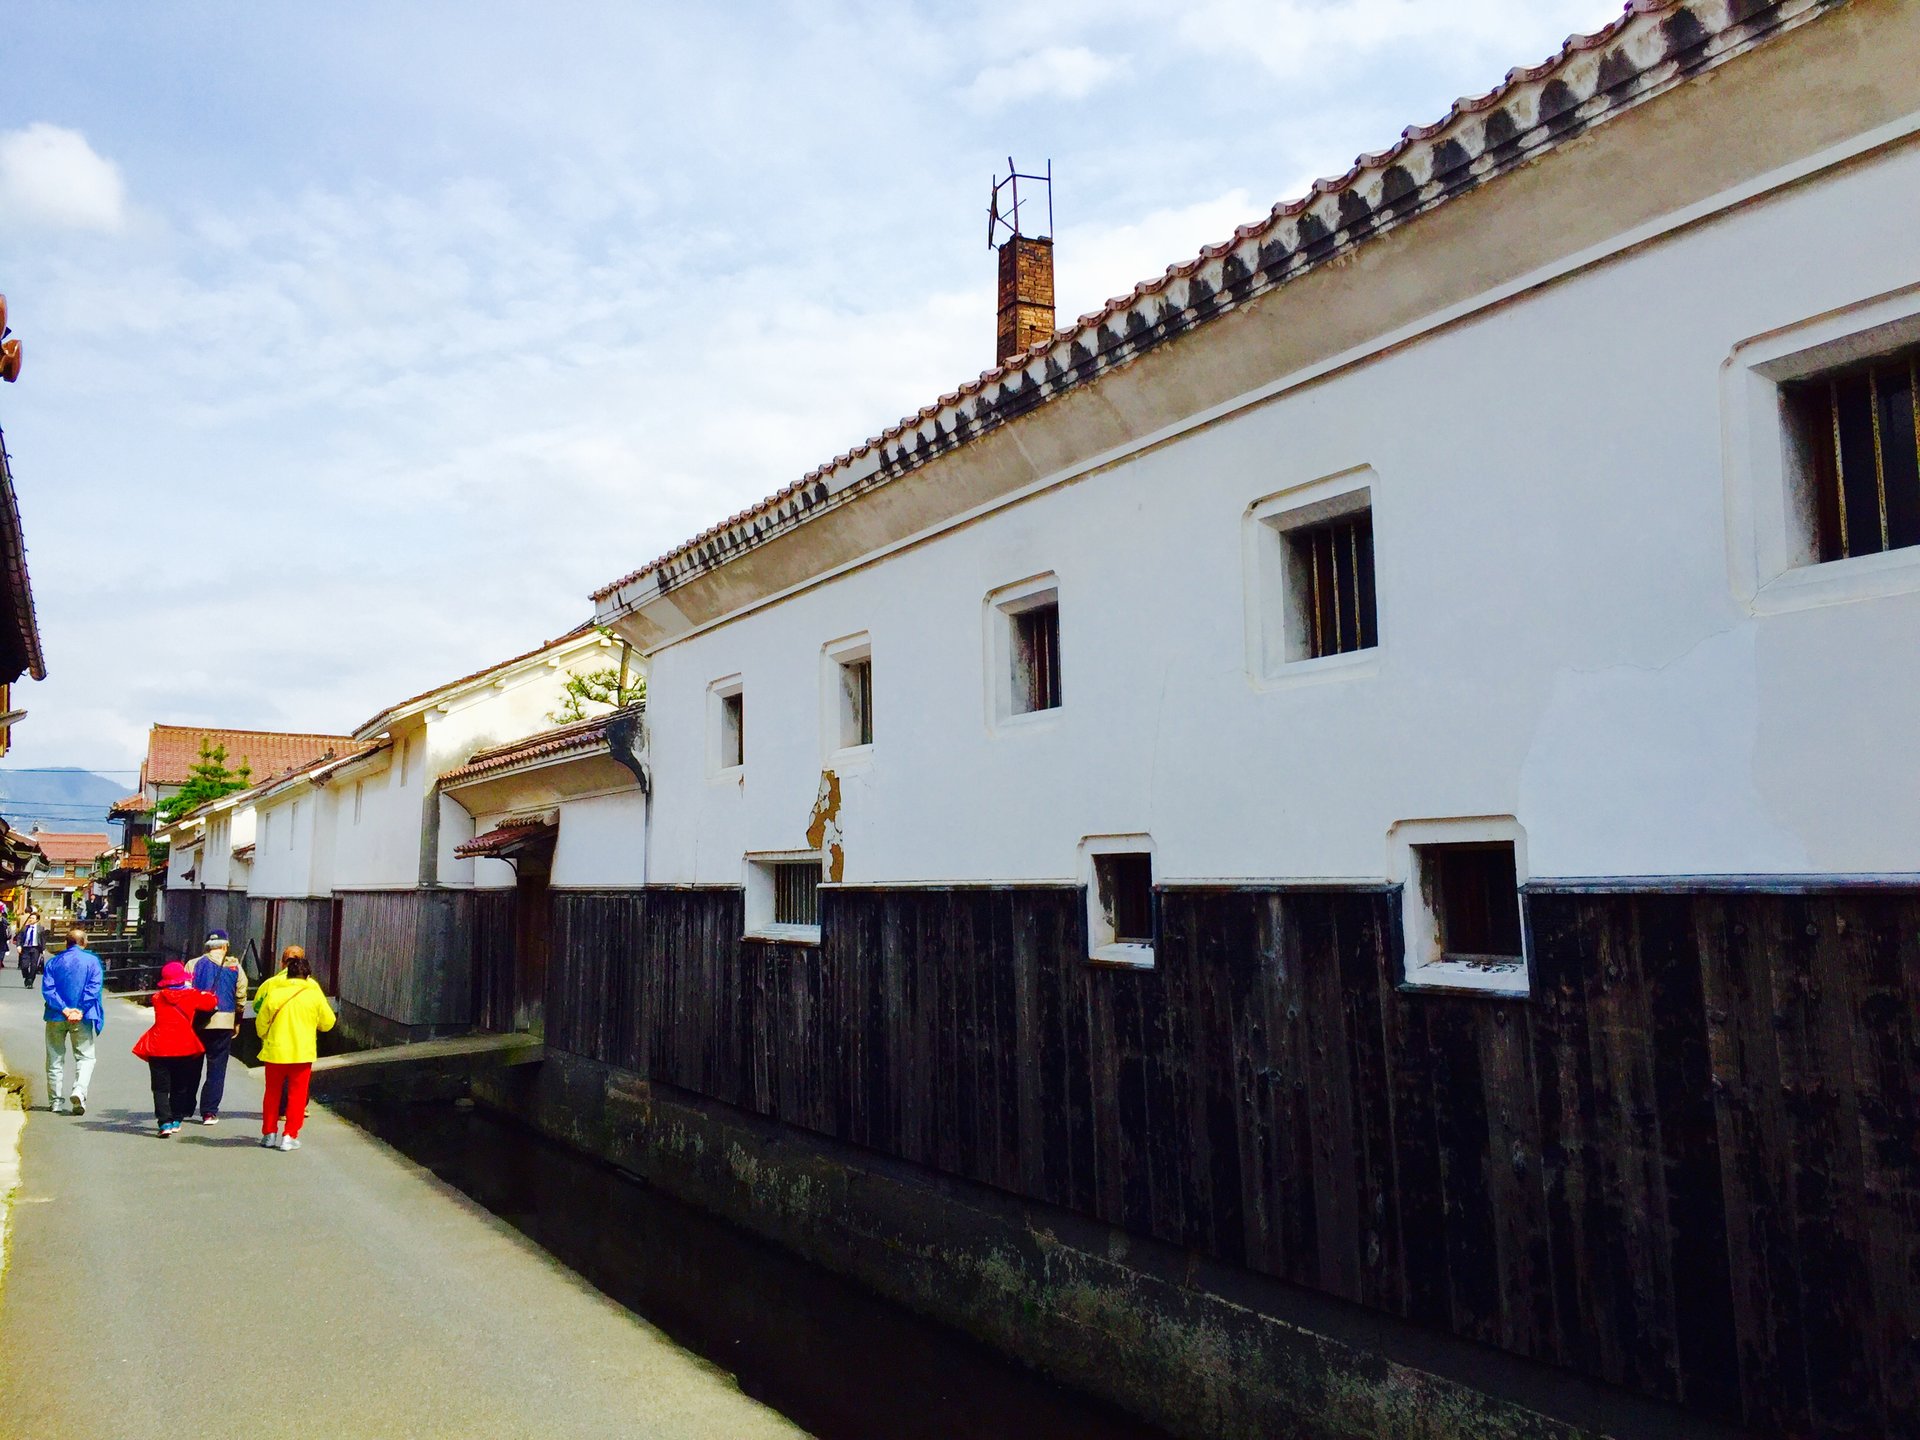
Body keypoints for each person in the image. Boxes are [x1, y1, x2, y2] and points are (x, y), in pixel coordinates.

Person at [253, 946, 334, 1152]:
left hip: (275, 1052)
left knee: (272, 1093)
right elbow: (328, 1023)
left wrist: (268, 1036)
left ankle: (269, 1133)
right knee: (297, 1096)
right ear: (307, 975)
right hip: (301, 1052)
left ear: (286, 970)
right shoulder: (314, 993)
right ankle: (289, 1136)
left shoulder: (274, 993)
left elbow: (260, 1024)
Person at [134, 961, 215, 1137]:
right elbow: (210, 1003)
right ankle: (177, 1118)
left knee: (160, 1088)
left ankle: (164, 1123)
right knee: (180, 1086)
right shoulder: (192, 995)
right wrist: (206, 993)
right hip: (183, 1046)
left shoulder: (158, 997)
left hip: (158, 1046)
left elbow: (168, 996)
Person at [185, 928, 248, 1124]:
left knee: (192, 1067)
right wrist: (237, 1021)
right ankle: (209, 1112)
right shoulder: (234, 966)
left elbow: (185, 994)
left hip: (197, 1022)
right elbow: (241, 997)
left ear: (207, 946)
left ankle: (186, 1106)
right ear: (225, 945)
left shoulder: (193, 964)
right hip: (224, 1021)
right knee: (217, 1069)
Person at [41, 926, 104, 1115]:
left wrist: (64, 1009)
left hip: (55, 1015)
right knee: (85, 1057)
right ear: (83, 942)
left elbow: (48, 990)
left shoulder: (53, 963)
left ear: (66, 943)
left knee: (55, 1058)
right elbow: (94, 988)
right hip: (82, 1018)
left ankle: (55, 1102)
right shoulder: (92, 962)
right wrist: (80, 1010)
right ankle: (79, 1090)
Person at [18, 910, 43, 987]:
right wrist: (19, 946)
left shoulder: (40, 928)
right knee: (24, 965)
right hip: (25, 948)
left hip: (35, 948)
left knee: (34, 965)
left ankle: (30, 980)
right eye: (30, 918)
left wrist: (43, 949)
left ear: (37, 920)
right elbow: (19, 937)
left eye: (33, 918)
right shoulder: (25, 928)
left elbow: (43, 939)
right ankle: (26, 976)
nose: (31, 919)